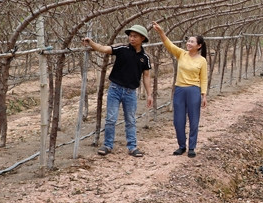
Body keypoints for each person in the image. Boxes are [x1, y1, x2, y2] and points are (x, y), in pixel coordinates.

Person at [82, 24, 153, 158]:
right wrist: (91, 43)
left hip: (131, 92)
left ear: (142, 38)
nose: (131, 38)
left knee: (131, 120)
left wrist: (149, 94)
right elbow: (103, 49)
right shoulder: (122, 49)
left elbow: (147, 76)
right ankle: (108, 145)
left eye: (135, 36)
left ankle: (132, 147)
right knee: (111, 118)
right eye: (130, 36)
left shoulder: (145, 58)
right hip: (115, 89)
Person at [150, 22, 208, 158]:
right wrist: (161, 32)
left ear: (199, 46)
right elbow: (168, 44)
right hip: (180, 90)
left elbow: (204, 79)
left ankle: (192, 147)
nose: (188, 43)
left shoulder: (202, 61)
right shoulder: (181, 54)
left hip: (194, 91)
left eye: (192, 42)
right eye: (188, 41)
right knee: (178, 120)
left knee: (194, 120)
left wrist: (204, 95)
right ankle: (182, 145)